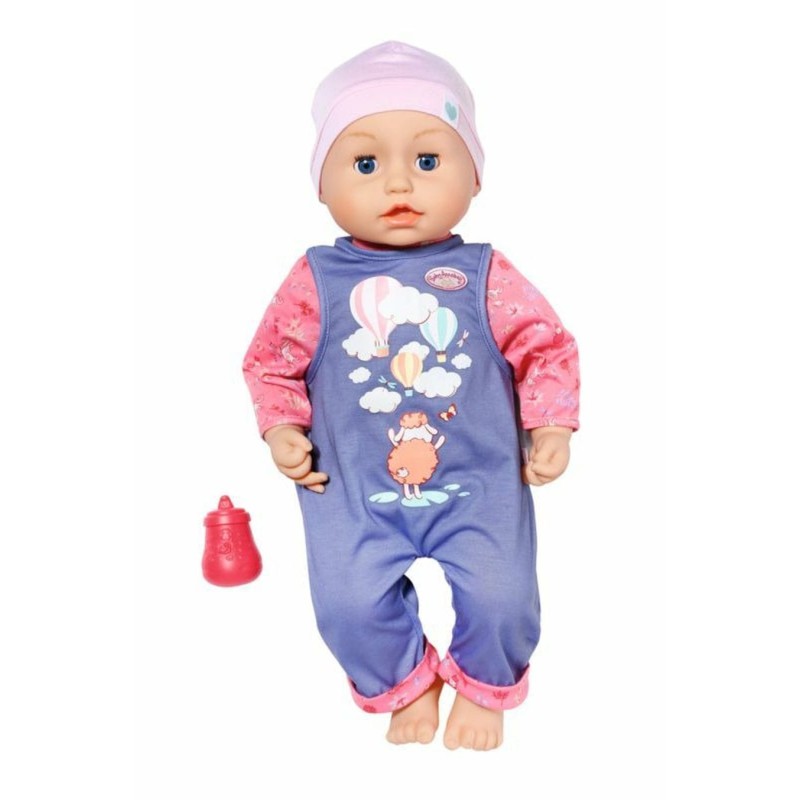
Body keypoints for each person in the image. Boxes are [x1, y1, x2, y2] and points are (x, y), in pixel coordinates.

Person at [242, 41, 580, 750]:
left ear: (475, 177)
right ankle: (408, 680)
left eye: (428, 159)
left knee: (502, 596)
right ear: (322, 185)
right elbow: (271, 364)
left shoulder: (485, 272)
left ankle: (484, 686)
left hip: (480, 486)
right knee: (346, 606)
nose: (398, 182)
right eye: (365, 164)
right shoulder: (314, 279)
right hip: (350, 493)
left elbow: (546, 347)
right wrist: (282, 429)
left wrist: (551, 425)